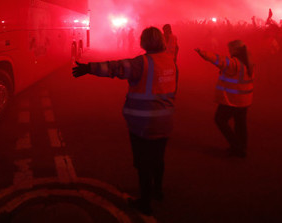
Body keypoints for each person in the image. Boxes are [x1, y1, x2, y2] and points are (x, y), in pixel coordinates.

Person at [73, 27, 177, 216]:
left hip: (143, 124)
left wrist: (88, 68)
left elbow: (115, 68)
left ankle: (145, 203)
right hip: (165, 120)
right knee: (158, 158)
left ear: (144, 42)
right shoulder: (170, 61)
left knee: (143, 163)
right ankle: (158, 191)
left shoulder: (142, 62)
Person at [195, 40, 254, 157]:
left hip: (232, 100)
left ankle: (237, 146)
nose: (229, 51)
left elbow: (219, 60)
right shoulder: (249, 64)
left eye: (230, 49)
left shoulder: (234, 63)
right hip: (245, 100)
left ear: (235, 50)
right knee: (240, 124)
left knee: (220, 120)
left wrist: (203, 53)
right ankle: (241, 147)